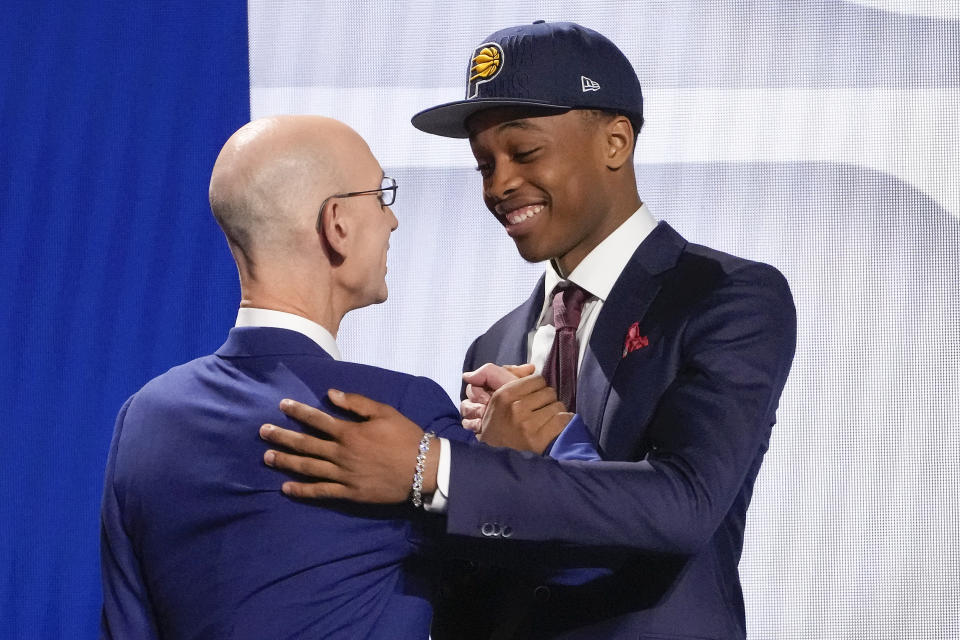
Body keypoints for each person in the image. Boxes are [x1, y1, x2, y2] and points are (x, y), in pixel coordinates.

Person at [259, 21, 797, 640]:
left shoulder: (725, 296)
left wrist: (439, 468)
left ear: (615, 142)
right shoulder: (493, 346)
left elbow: (686, 506)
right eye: (483, 163)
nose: (498, 184)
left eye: (525, 152)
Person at [99, 115, 580, 639]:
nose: (392, 222)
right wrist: (502, 465)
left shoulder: (144, 417)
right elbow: (580, 560)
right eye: (381, 197)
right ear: (337, 224)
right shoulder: (392, 408)